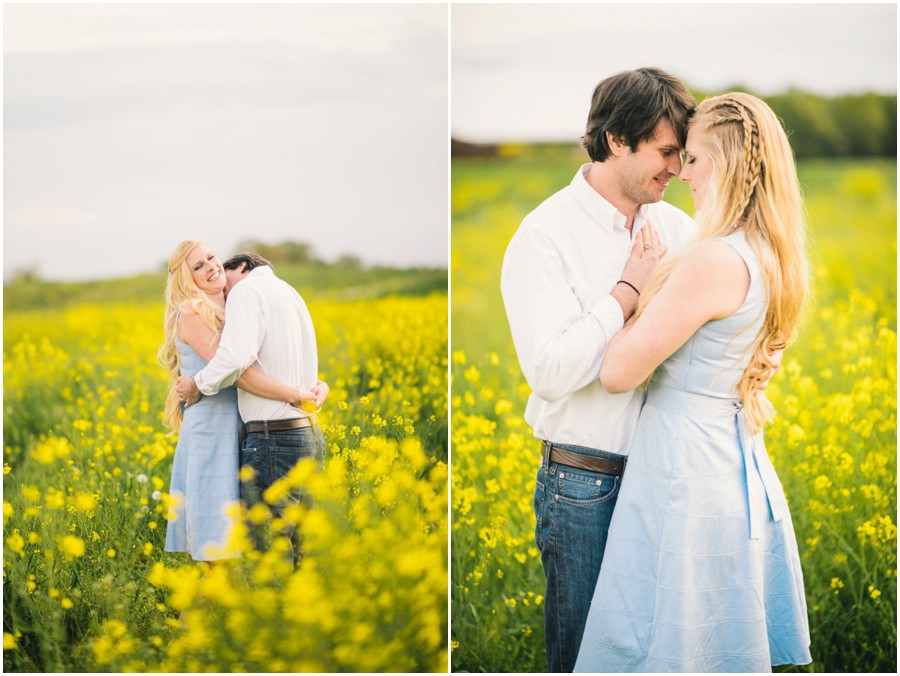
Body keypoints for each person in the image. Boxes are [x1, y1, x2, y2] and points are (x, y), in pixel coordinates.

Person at [575, 93, 812, 671]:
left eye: (696, 160)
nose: (682, 175)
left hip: (685, 470)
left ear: (730, 164)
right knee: (709, 640)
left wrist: (633, 286)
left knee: (668, 641)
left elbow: (617, 372)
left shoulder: (713, 260)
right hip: (730, 460)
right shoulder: (772, 254)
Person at [500, 67, 697, 672]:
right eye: (666, 152)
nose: (677, 169)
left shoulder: (674, 226)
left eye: (683, 155)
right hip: (587, 486)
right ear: (617, 140)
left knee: (663, 654)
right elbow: (552, 371)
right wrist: (625, 293)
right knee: (589, 659)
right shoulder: (544, 237)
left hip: (668, 475)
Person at [159, 241, 319, 562]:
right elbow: (238, 371)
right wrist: (297, 395)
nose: (211, 266)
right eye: (198, 267)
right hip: (212, 438)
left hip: (241, 437)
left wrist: (316, 385)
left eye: (210, 257)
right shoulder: (192, 312)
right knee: (220, 560)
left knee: (238, 557)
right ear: (186, 279)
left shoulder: (233, 310)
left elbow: (268, 360)